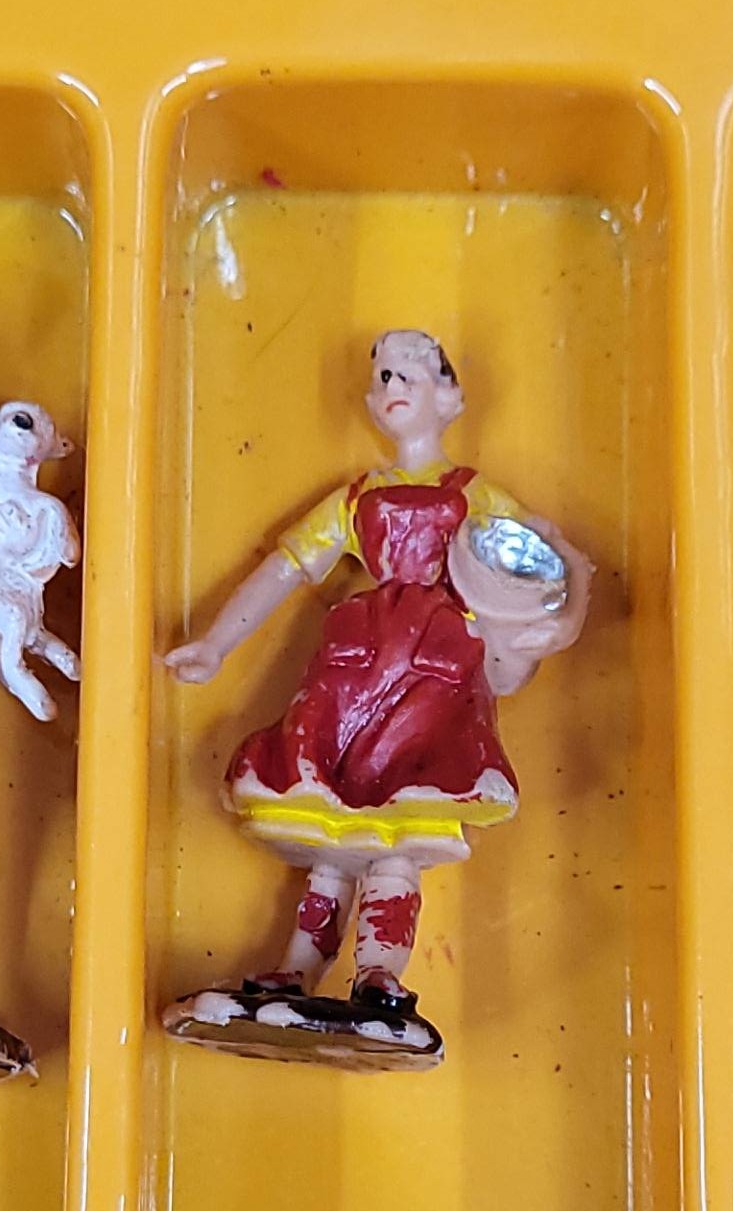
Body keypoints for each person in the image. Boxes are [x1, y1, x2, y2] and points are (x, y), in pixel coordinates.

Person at [166, 330, 589, 1023]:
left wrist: (558, 621)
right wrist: (216, 643)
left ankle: (379, 972)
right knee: (330, 824)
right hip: (355, 668)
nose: (393, 388)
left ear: (448, 397)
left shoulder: (474, 495)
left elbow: (547, 564)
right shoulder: (356, 497)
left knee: (401, 825)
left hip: (435, 670)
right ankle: (299, 966)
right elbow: (287, 567)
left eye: (409, 377)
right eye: (384, 377)